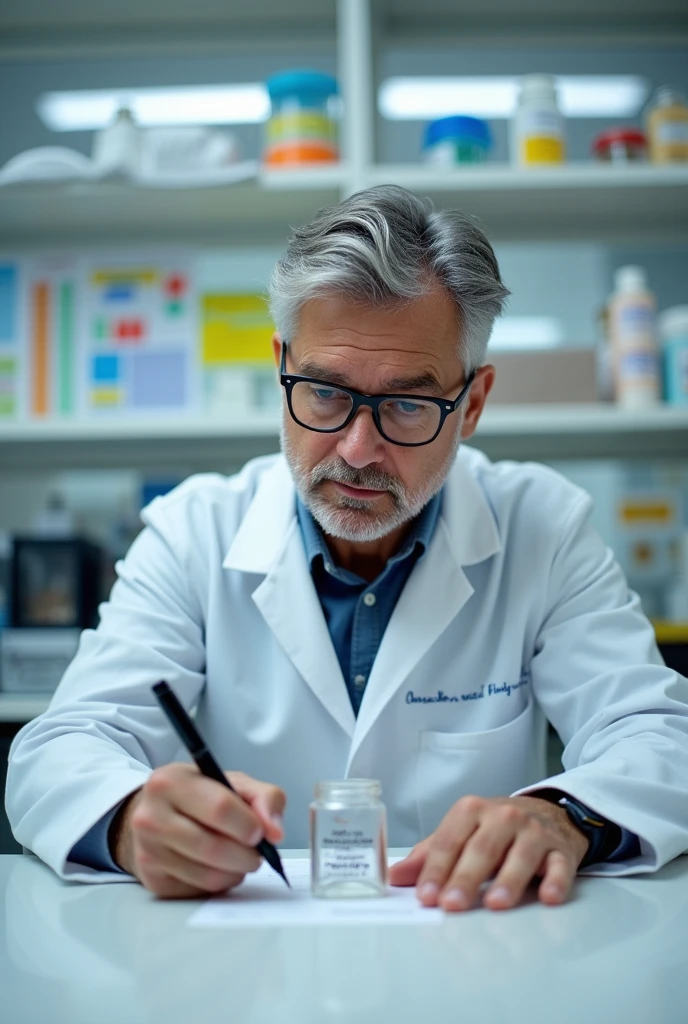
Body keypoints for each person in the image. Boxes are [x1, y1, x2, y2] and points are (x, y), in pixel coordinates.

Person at [7, 186, 688, 912]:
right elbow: (59, 750)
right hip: (247, 970)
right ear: (280, 367)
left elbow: (656, 736)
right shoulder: (191, 533)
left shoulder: (542, 527)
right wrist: (126, 823)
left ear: (474, 404)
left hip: (473, 951)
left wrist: (566, 815)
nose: (358, 451)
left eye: (407, 405)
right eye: (326, 394)